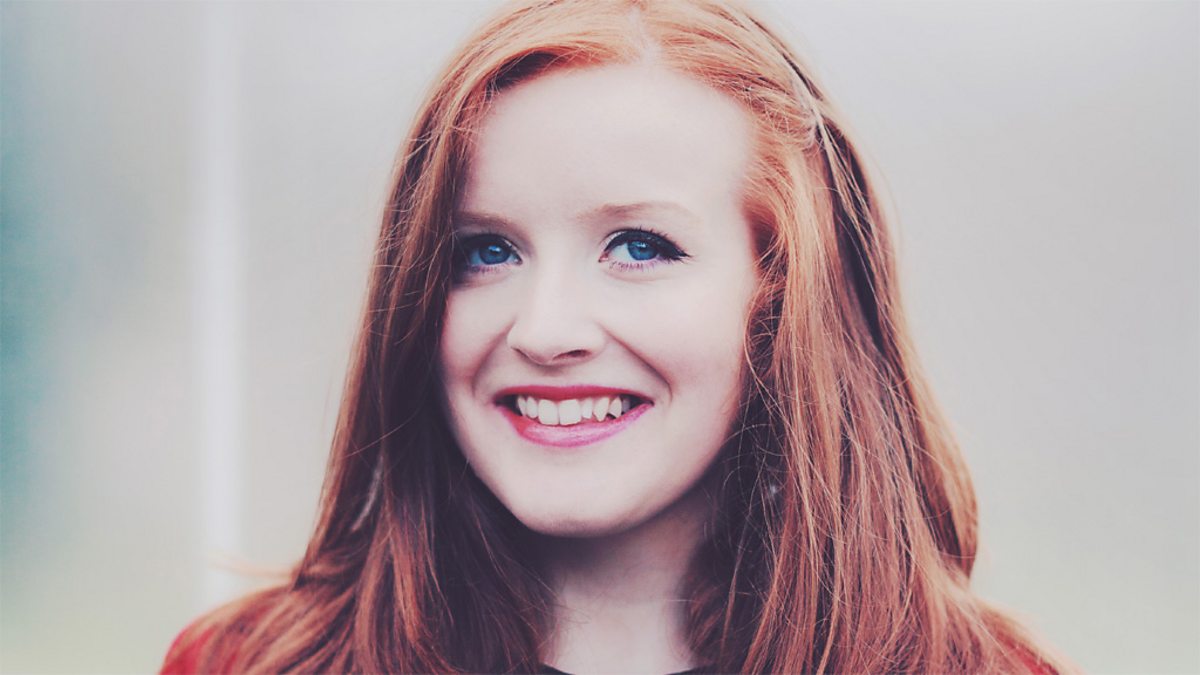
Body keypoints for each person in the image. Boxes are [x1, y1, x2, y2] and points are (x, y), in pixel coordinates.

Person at [162, 0, 1072, 672]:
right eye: (485, 251)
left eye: (639, 246)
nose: (545, 329)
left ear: (783, 296)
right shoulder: (238, 665)